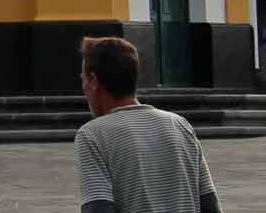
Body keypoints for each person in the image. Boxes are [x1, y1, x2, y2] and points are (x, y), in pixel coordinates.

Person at [73, 36, 220, 213]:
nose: (84, 86)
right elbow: (210, 205)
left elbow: (98, 208)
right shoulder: (180, 125)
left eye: (84, 79)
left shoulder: (92, 135)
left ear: (94, 82)